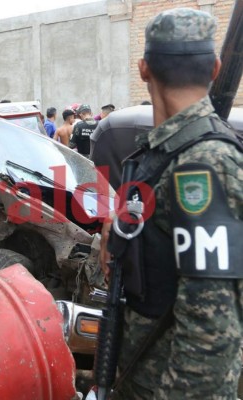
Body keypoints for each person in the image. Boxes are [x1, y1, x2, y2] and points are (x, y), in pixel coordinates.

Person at [99, 8, 243, 399]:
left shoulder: (203, 163)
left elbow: (211, 333)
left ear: (144, 69)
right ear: (214, 68)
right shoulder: (160, 157)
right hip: (141, 370)